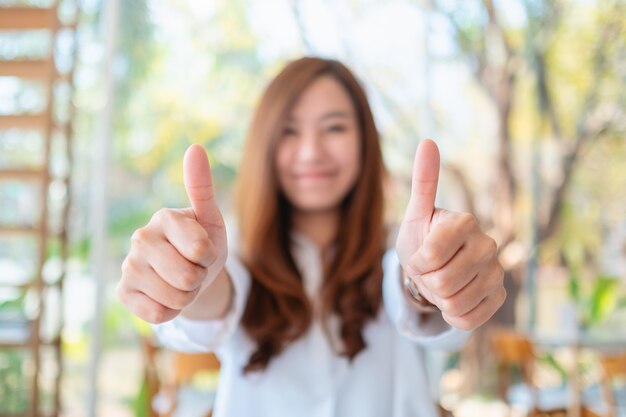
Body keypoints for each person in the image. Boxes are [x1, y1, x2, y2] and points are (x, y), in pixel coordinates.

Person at [117, 57, 505, 417]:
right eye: (289, 131)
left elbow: (407, 286)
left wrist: (431, 280)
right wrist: (191, 279)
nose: (310, 152)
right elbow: (219, 296)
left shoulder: (400, 246)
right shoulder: (229, 249)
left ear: (365, 142)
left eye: (334, 127)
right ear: (264, 145)